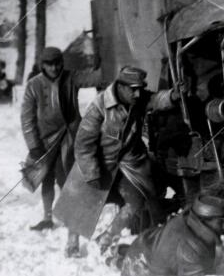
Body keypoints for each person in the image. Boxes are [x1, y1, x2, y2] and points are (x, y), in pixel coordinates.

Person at [53, 65, 179, 255]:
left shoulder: (138, 98)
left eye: (140, 89)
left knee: (136, 201)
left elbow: (155, 99)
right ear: (120, 86)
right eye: (133, 89)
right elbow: (84, 143)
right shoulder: (99, 106)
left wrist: (172, 96)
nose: (138, 94)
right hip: (99, 160)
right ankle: (72, 243)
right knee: (82, 200)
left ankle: (108, 236)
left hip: (129, 162)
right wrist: (91, 171)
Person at [119, 194, 224, 276]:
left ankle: (118, 255)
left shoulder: (188, 219)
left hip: (146, 244)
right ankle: (115, 260)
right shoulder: (190, 250)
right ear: (204, 221)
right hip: (140, 265)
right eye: (220, 222)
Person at [20, 46, 81, 236]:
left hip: (68, 138)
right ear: (43, 65)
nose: (54, 68)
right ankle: (47, 218)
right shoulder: (34, 85)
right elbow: (27, 118)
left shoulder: (71, 78)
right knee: (46, 179)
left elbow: (93, 78)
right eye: (49, 65)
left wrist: (99, 68)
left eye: (57, 64)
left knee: (66, 177)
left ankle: (72, 218)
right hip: (45, 141)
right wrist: (34, 146)